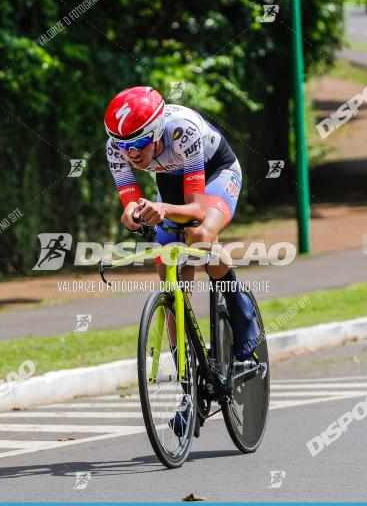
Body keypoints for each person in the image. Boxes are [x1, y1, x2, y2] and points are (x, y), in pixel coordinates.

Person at [103, 86, 259, 362]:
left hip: (216, 172)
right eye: (123, 147)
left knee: (200, 234)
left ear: (155, 133)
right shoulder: (117, 147)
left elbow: (196, 208)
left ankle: (238, 304)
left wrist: (162, 208)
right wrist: (131, 212)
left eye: (138, 146)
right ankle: (184, 367)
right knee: (169, 268)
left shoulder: (181, 131)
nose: (131, 155)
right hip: (173, 181)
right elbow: (130, 199)